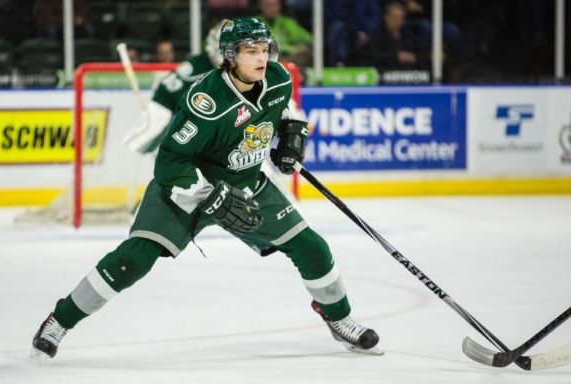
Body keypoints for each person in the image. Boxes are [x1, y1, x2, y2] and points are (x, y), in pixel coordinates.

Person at [31, 17, 383, 359]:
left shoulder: (277, 77)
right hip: (188, 189)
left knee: (312, 248)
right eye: (251, 51)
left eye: (265, 49)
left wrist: (291, 133)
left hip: (247, 183)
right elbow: (169, 162)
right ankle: (59, 321)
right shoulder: (206, 101)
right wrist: (209, 195)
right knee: (133, 260)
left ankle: (339, 318)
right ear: (231, 56)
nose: (261, 57)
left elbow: (282, 110)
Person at [123, 20, 225, 154]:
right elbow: (168, 89)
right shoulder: (197, 65)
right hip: (166, 109)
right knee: (139, 145)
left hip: (194, 119)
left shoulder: (231, 70)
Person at [361, 1, 428, 72]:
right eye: (394, 17)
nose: (397, 21)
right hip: (383, 75)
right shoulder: (375, 36)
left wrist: (415, 57)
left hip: (409, 77)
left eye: (400, 18)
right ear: (386, 17)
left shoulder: (409, 36)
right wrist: (396, 57)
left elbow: (421, 53)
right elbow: (372, 57)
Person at [257, 0, 313, 66]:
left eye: (274, 5)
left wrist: (303, 46)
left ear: (279, 6)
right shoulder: (255, 23)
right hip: (268, 59)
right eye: (267, 5)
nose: (271, 8)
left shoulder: (288, 22)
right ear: (260, 5)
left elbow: (309, 38)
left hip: (291, 58)